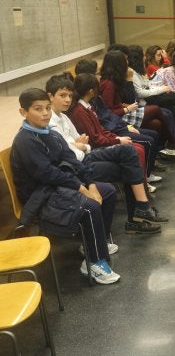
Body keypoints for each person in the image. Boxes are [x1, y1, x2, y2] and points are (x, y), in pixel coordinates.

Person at [11, 88, 120, 284]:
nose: (45, 113)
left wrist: (91, 184)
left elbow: (73, 160)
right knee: (89, 206)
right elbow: (47, 174)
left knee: (108, 191)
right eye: (38, 109)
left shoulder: (51, 133)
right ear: (24, 112)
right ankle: (94, 263)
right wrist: (81, 188)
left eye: (47, 108)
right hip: (41, 196)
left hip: (60, 186)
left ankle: (93, 244)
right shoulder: (25, 140)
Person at [46, 74, 165, 234]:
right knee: (129, 163)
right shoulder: (53, 120)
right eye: (62, 95)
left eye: (69, 95)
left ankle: (141, 210)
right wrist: (80, 146)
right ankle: (138, 214)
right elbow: (68, 150)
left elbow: (83, 142)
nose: (67, 99)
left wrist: (80, 146)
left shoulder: (64, 117)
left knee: (129, 154)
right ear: (50, 97)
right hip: (77, 165)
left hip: (84, 156)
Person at [99, 50, 175, 152]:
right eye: (125, 60)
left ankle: (162, 149)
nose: (127, 63)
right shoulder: (109, 84)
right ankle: (174, 142)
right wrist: (126, 109)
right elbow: (108, 111)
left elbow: (126, 100)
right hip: (120, 116)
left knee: (158, 122)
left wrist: (125, 107)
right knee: (157, 109)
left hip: (126, 110)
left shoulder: (115, 79)